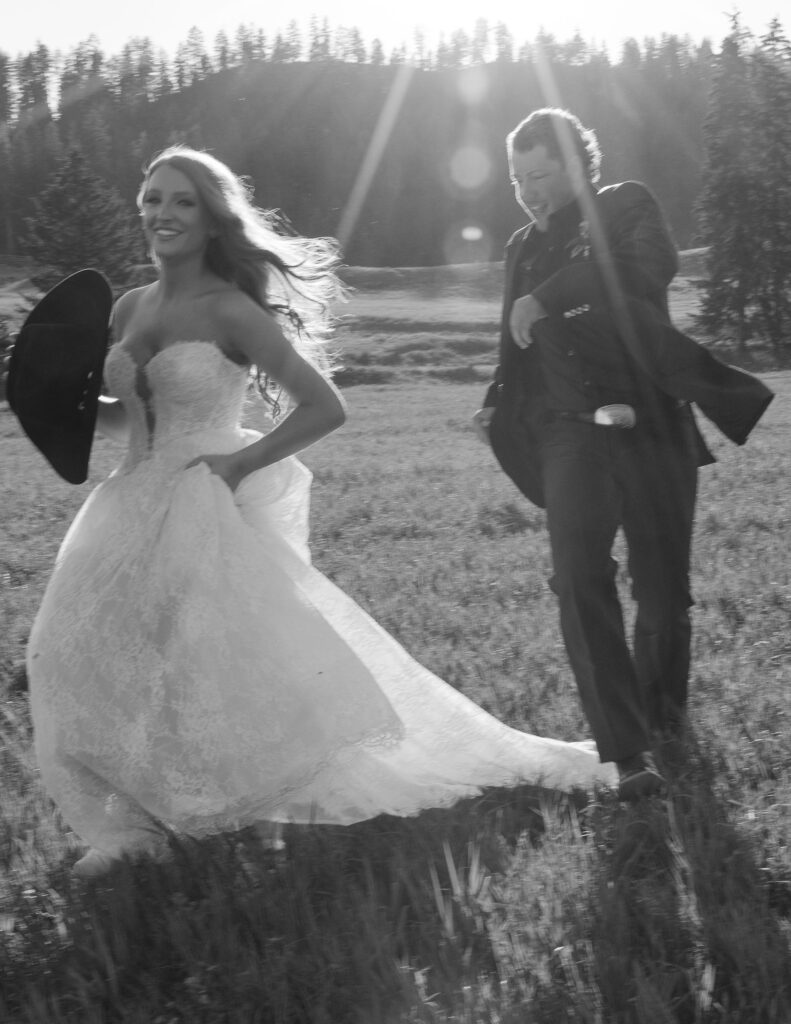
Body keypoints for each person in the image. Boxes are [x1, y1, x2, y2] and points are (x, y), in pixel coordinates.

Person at [27, 146, 617, 879]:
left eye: (180, 201)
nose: (162, 213)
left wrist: (240, 462)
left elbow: (324, 406)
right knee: (72, 651)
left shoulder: (229, 309)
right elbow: (127, 419)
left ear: (211, 219)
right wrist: (54, 398)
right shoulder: (128, 306)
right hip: (128, 498)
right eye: (151, 198)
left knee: (201, 661)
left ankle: (183, 816)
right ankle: (131, 823)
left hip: (205, 497)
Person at [473, 108, 771, 802]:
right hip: (567, 433)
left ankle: (661, 723)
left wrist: (547, 297)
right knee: (577, 579)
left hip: (653, 425)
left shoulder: (626, 205)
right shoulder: (521, 245)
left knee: (663, 594)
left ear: (578, 166)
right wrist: (495, 398)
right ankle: (627, 751)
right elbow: (512, 337)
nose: (529, 190)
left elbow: (640, 273)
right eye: (518, 178)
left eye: (541, 174)